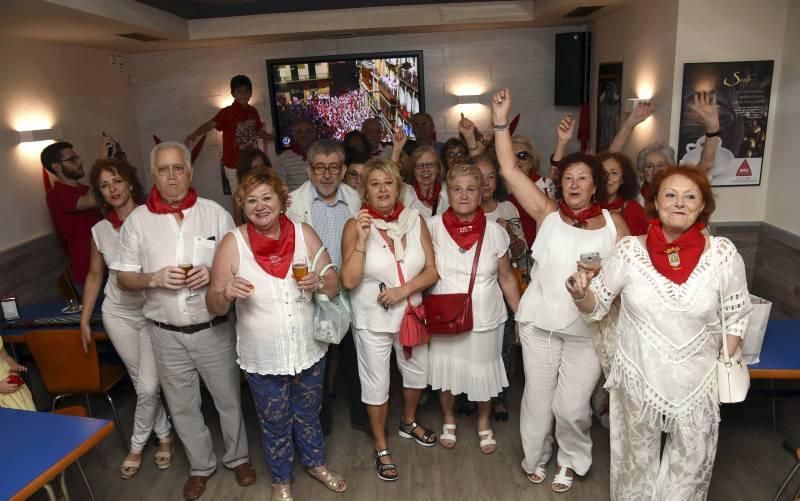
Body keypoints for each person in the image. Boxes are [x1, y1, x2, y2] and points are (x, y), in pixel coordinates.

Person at [568, 165, 753, 500]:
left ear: (702, 207)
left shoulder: (722, 254)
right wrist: (581, 293)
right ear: (654, 202)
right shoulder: (629, 252)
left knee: (690, 468)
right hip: (639, 378)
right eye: (670, 195)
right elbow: (597, 307)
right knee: (635, 466)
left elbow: (737, 312)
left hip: (698, 383)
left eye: (690, 196)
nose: (679, 203)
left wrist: (722, 360)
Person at [492, 88, 630, 493]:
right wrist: (500, 119)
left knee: (571, 406)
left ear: (595, 186)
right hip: (539, 325)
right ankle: (536, 456)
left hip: (588, 331)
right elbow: (508, 169)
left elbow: (631, 273)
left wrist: (604, 268)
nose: (573, 184)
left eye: (582, 178)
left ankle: (571, 459)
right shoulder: (546, 213)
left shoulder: (614, 223)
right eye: (567, 178)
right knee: (537, 400)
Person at [115, 142, 255, 500]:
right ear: (153, 175)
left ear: (190, 172)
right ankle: (200, 466)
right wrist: (153, 279)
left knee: (228, 399)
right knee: (182, 406)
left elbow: (239, 263)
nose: (172, 176)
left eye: (178, 168)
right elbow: (123, 278)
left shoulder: (214, 214)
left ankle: (238, 457)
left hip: (213, 328)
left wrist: (213, 272)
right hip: (166, 333)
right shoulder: (137, 222)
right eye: (164, 170)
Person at [206, 170, 347, 500]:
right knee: (274, 423)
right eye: (251, 200)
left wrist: (319, 282)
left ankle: (316, 464)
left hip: (308, 350)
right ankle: (282, 481)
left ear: (282, 200)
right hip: (262, 357)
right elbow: (213, 305)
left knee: (309, 415)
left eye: (266, 197)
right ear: (242, 205)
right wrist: (224, 291)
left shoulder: (303, 233)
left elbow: (334, 283)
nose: (259, 206)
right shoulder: (233, 242)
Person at [340, 158, 440, 481]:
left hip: (411, 313)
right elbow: (350, 281)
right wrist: (360, 241)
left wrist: (403, 291)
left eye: (388, 183)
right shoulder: (355, 224)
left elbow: (432, 270)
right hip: (372, 319)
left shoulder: (415, 220)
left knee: (416, 375)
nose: (383, 189)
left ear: (398, 187)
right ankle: (381, 445)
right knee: (377, 385)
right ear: (365, 191)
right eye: (375, 184)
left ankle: (408, 421)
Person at [80, 158, 173, 479]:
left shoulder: (154, 217)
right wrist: (84, 319)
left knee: (148, 386)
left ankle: (136, 445)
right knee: (141, 383)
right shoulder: (100, 230)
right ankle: (164, 436)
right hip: (116, 313)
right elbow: (94, 275)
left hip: (151, 311)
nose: (112, 189)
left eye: (116, 181)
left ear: (130, 182)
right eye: (105, 185)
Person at [427, 161, 521, 454]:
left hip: (486, 315)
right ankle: (449, 418)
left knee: (484, 372)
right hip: (445, 314)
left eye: (471, 189)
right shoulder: (431, 228)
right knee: (446, 371)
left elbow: (506, 278)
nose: (464, 195)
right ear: (447, 193)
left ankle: (483, 421)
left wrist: (521, 315)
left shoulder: (496, 232)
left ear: (482, 193)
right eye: (457, 189)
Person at [286, 138, 367, 434]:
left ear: (344, 169)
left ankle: (361, 417)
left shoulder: (357, 200)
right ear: (309, 170)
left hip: (350, 291)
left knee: (355, 359)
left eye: (334, 167)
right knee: (317, 362)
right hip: (313, 292)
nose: (327, 174)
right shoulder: (293, 203)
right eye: (320, 168)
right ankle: (322, 424)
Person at [475, 152, 528, 421]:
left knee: (502, 347)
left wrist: (507, 235)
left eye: (491, 177)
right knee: (472, 346)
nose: (485, 183)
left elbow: (521, 251)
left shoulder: (508, 209)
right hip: (473, 292)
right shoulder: (462, 208)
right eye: (479, 177)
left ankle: (498, 398)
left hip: (503, 287)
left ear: (498, 181)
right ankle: (468, 395)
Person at [608, 94, 720, 199]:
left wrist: (712, 128)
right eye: (649, 166)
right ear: (642, 172)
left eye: (660, 165)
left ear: (670, 168)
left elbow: (706, 164)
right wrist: (629, 124)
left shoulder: (681, 185)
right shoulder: (635, 192)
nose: (655, 171)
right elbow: (610, 159)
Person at [185, 75, 272, 207]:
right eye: (239, 91)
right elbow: (210, 124)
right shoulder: (227, 112)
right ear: (233, 93)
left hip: (251, 163)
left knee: (255, 196)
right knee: (239, 199)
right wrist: (195, 134)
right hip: (233, 164)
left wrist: (270, 136)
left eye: (246, 90)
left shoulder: (253, 111)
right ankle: (239, 227)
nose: (243, 94)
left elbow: (258, 131)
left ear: (251, 92)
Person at [41, 141, 102, 293]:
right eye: (73, 159)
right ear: (57, 167)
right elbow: (92, 200)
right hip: (87, 273)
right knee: (97, 317)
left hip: (109, 267)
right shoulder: (55, 195)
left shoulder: (86, 189)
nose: (80, 162)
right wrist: (101, 163)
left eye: (78, 158)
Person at [506, 135, 548, 247]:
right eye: (511, 156)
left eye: (522, 156)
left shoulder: (545, 187)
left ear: (531, 162)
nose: (516, 161)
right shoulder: (495, 188)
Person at [597, 152, 649, 235]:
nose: (608, 178)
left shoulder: (633, 210)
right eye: (603, 173)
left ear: (622, 179)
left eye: (614, 173)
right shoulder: (586, 206)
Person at [278, 119, 317, 191]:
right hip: (293, 201)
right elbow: (280, 186)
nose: (303, 135)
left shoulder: (322, 155)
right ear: (294, 135)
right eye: (299, 132)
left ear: (314, 134)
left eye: (307, 131)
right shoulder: (284, 157)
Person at [0, 340, 35, 410]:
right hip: (2, 389)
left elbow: (6, 357)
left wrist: (15, 365)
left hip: (10, 380)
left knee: (29, 410)